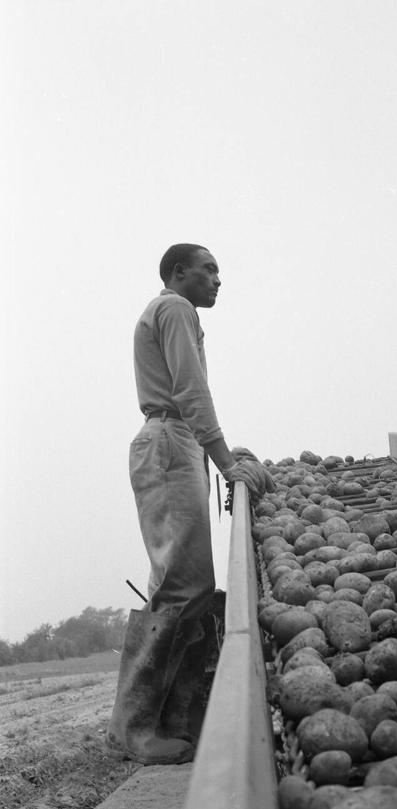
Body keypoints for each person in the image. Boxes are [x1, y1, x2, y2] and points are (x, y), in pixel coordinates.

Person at [106, 243, 274, 765]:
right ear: (179, 274)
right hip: (169, 442)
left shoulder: (173, 313)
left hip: (177, 443)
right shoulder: (174, 308)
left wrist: (220, 450)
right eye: (209, 269)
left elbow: (191, 398)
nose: (218, 279)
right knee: (184, 585)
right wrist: (225, 460)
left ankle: (171, 723)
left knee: (180, 584)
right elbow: (191, 391)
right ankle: (132, 728)